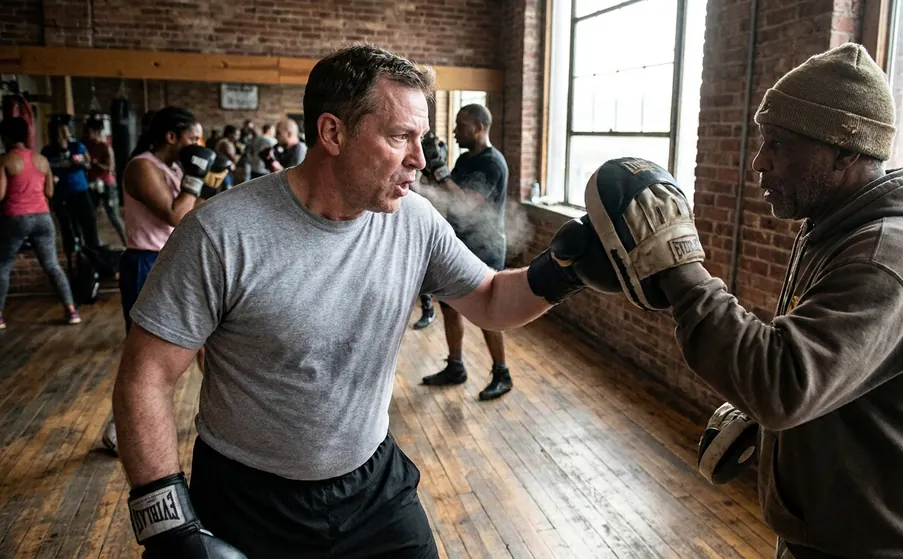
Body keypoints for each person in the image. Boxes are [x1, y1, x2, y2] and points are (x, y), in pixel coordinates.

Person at [110, 44, 611, 558]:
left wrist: (567, 271)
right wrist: (166, 526)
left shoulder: (413, 219)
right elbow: (146, 375)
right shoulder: (221, 233)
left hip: (372, 485)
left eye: (422, 138)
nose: (419, 158)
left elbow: (488, 298)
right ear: (333, 132)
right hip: (249, 498)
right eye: (400, 137)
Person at [569, 43, 903, 558]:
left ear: (846, 150)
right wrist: (777, 434)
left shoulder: (886, 257)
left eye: (778, 145)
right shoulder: (833, 230)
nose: (759, 162)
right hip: (825, 537)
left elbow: (783, 383)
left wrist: (680, 266)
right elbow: (824, 367)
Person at [100, 106, 211, 455]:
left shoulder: (173, 167)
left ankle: (229, 414)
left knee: (208, 343)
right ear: (171, 137)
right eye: (192, 138)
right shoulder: (141, 167)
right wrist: (196, 176)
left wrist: (214, 179)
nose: (197, 144)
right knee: (149, 356)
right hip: (146, 262)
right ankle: (122, 426)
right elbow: (177, 215)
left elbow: (196, 210)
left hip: (179, 259)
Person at [418, 104, 513, 400]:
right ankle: (456, 366)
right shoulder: (464, 159)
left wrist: (443, 173)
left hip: (485, 247)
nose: (456, 131)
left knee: (488, 312)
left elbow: (469, 203)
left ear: (479, 128)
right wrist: (428, 169)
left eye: (461, 125)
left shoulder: (492, 163)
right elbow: (448, 195)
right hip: (459, 241)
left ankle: (502, 373)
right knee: (448, 304)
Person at [0, 117, 80, 329]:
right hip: (43, 217)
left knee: (3, 266)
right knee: (52, 265)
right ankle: (71, 311)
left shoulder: (5, 160)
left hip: (15, 216)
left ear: (5, 137)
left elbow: (0, 194)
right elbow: (49, 192)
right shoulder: (42, 160)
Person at [42, 117, 102, 270]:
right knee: (68, 228)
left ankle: (95, 260)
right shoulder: (47, 151)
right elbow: (45, 170)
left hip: (80, 191)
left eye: (64, 131)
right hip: (61, 194)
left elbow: (88, 164)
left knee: (89, 224)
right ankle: (72, 262)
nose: (63, 135)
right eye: (59, 132)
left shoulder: (77, 146)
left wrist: (80, 162)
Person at [85, 116, 128, 246]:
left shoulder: (105, 147)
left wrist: (96, 163)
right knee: (90, 214)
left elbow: (110, 168)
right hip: (93, 185)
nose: (88, 134)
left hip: (107, 184)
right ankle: (96, 244)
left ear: (96, 131)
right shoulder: (88, 146)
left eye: (90, 132)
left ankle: (127, 243)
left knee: (113, 216)